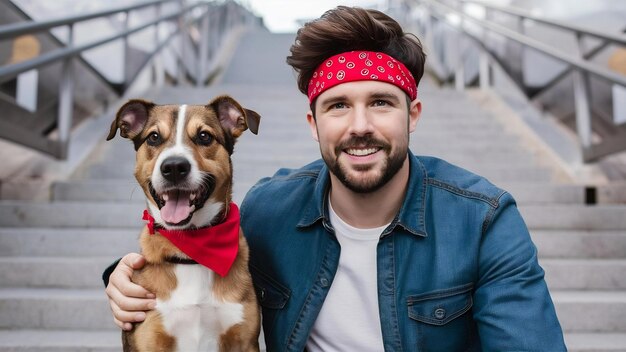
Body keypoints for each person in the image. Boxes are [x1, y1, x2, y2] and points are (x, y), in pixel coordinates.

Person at [104, 6, 566, 351]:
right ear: (313, 124)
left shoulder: (482, 220)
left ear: (413, 115)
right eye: (338, 105)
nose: (359, 125)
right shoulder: (269, 211)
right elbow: (193, 243)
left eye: (381, 103)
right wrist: (122, 276)